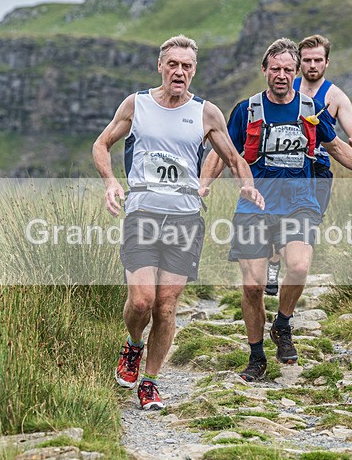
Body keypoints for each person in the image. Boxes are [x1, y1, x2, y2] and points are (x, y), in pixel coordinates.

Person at [199, 38, 352, 382]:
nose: (281, 75)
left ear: (295, 74)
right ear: (264, 70)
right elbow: (224, 153)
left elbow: (336, 147)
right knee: (252, 287)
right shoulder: (246, 110)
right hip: (255, 206)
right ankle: (256, 356)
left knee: (298, 265)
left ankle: (282, 322)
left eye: (287, 70)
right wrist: (202, 186)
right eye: (275, 69)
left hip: (299, 203)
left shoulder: (310, 109)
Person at [92, 35, 264, 410]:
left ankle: (150, 381)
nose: (180, 72)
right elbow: (101, 144)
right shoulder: (136, 105)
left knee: (166, 306)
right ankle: (134, 345)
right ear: (161, 66)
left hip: (185, 219)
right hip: (142, 214)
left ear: (194, 70)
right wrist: (110, 183)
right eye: (173, 64)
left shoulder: (206, 113)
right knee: (141, 301)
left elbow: (233, 158)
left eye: (187, 66)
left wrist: (246, 186)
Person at [264, 34, 352, 296]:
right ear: (299, 63)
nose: (312, 65)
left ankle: (291, 266)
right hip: (285, 167)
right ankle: (274, 260)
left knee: (307, 222)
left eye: (317, 60)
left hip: (318, 169)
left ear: (326, 62)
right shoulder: (287, 86)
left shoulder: (335, 97)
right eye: (307, 60)